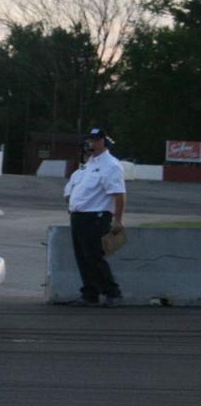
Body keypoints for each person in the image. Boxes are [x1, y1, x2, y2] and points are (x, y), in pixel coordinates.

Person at [65, 128, 126, 308]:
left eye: (95, 140)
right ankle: (90, 293)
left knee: (94, 256)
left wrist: (118, 219)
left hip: (96, 217)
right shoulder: (88, 164)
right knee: (82, 257)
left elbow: (119, 194)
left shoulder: (111, 165)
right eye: (90, 139)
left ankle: (112, 292)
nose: (91, 143)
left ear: (104, 142)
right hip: (79, 216)